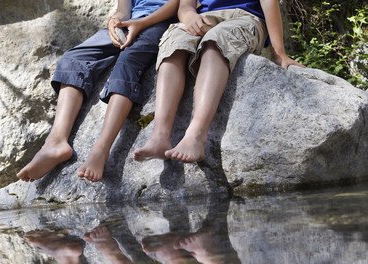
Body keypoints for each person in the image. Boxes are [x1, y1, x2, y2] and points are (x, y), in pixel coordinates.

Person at [17, 0, 178, 183]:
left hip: (161, 24)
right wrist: (116, 20)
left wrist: (142, 23)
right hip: (129, 25)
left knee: (126, 65)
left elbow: (176, 5)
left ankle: (101, 150)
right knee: (73, 59)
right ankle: (56, 141)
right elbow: (123, 10)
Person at [133, 0, 305, 163]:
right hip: (205, 17)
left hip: (245, 17)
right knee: (174, 42)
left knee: (215, 42)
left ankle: (197, 135)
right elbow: (185, 6)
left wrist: (279, 53)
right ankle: (159, 136)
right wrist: (189, 16)